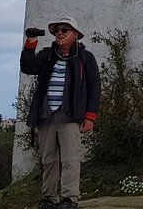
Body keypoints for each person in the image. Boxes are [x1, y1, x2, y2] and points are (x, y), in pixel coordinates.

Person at [21, 17, 100, 209]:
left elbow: (94, 87)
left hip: (70, 115)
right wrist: (30, 43)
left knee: (71, 159)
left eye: (65, 30)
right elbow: (28, 67)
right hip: (46, 115)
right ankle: (49, 197)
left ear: (76, 35)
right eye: (58, 30)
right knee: (49, 159)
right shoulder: (48, 55)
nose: (60, 33)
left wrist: (90, 116)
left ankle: (69, 199)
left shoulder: (85, 58)